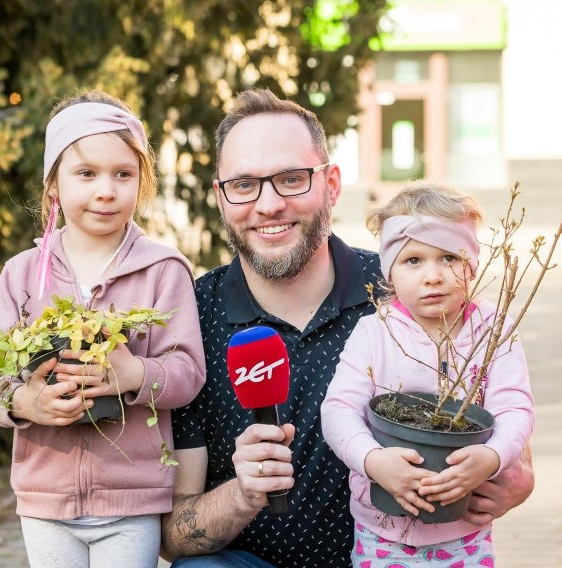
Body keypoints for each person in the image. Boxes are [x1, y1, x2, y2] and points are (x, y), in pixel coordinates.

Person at [162, 89, 534, 567]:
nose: (269, 203)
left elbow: (509, 424)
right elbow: (172, 538)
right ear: (221, 196)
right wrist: (242, 492)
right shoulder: (194, 316)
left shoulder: (405, 290)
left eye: (291, 179)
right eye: (244, 184)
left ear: (331, 185)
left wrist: (517, 482)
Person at [0, 90, 205, 568]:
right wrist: (23, 402)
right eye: (86, 173)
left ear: (142, 182)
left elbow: (188, 371)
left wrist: (135, 373)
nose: (106, 189)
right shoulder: (22, 274)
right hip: (45, 498)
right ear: (53, 184)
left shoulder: (163, 270)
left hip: (132, 500)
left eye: (123, 174)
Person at [321, 183, 535, 566]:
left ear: (471, 265)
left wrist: (492, 456)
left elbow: (515, 408)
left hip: (464, 532)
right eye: (413, 261)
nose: (433, 276)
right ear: (389, 273)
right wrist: (373, 461)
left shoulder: (493, 331)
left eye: (449, 258)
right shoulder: (374, 332)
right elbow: (338, 411)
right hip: (381, 530)